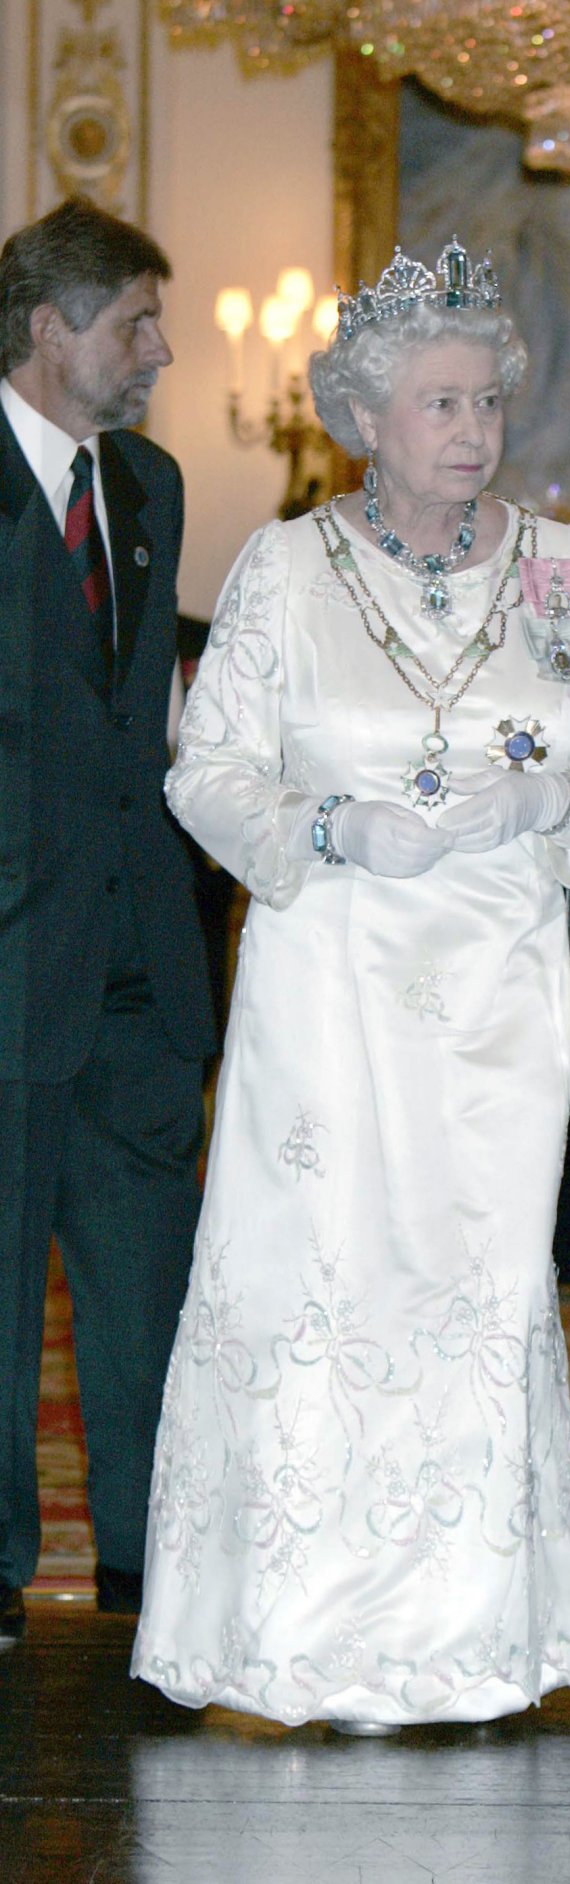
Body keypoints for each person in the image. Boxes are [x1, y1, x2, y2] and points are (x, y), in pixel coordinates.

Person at [131, 238, 570, 1731]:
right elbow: (207, 772)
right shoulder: (286, 571)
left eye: (488, 402)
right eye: (439, 404)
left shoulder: (563, 569)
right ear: (364, 415)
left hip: (495, 988)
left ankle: (477, 1641)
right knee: (320, 1276)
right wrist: (324, 825)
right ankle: (291, 1635)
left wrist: (549, 805)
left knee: (480, 1291)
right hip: (330, 980)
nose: (474, 432)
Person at [0, 198, 214, 1644]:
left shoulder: (149, 486)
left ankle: (151, 1565)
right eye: (135, 321)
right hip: (8, 966)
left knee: (150, 1302)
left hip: (143, 974)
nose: (161, 348)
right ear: (47, 328)